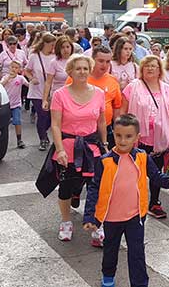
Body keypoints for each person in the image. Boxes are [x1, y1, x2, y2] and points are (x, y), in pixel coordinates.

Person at [83, 114, 169, 287]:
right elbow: (94, 188)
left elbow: (156, 177)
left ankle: (140, 283)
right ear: (113, 134)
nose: (123, 140)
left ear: (137, 137)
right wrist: (89, 216)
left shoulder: (142, 157)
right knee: (110, 250)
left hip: (135, 217)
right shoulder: (105, 161)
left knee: (137, 253)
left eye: (128, 136)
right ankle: (108, 276)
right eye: (118, 135)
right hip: (111, 218)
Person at [49, 54, 108, 244]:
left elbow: (101, 121)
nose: (82, 72)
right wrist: (60, 150)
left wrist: (105, 144)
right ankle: (66, 222)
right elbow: (55, 125)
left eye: (85, 68)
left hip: (92, 148)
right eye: (78, 68)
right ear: (70, 72)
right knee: (66, 187)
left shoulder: (99, 93)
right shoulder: (60, 95)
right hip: (68, 148)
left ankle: (96, 224)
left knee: (95, 188)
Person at [120, 55, 169, 219]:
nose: (150, 68)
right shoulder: (132, 87)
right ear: (142, 69)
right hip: (138, 139)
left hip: (160, 139)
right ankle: (132, 203)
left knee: (156, 173)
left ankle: (154, 203)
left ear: (159, 69)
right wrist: (122, 134)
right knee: (134, 172)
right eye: (147, 65)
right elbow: (123, 111)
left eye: (154, 66)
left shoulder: (167, 89)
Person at [65, 46, 122, 149]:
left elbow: (116, 107)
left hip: (105, 128)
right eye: (101, 61)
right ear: (93, 60)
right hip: (82, 129)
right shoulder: (77, 78)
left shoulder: (113, 81)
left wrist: (117, 129)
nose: (104, 65)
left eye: (108, 62)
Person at [25, 33, 57, 150]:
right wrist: (31, 78)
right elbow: (27, 70)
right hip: (37, 91)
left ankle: (44, 132)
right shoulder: (34, 56)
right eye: (51, 45)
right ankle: (43, 138)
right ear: (44, 44)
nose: (53, 47)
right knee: (42, 115)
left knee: (50, 117)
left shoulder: (55, 56)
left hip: (51, 91)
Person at [1, 60, 28, 149]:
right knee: (4, 123)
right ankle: (2, 140)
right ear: (9, 68)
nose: (13, 69)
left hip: (16, 104)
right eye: (12, 67)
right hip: (6, 104)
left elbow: (28, 85)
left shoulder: (20, 78)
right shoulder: (5, 77)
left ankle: (19, 140)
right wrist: (8, 79)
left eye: (16, 68)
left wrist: (33, 82)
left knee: (17, 121)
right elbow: (1, 85)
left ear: (19, 70)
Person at [42, 36, 73, 112]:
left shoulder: (75, 61)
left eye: (67, 47)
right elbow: (48, 82)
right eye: (62, 47)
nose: (65, 50)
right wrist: (45, 100)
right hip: (58, 96)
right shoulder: (54, 62)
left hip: (73, 96)